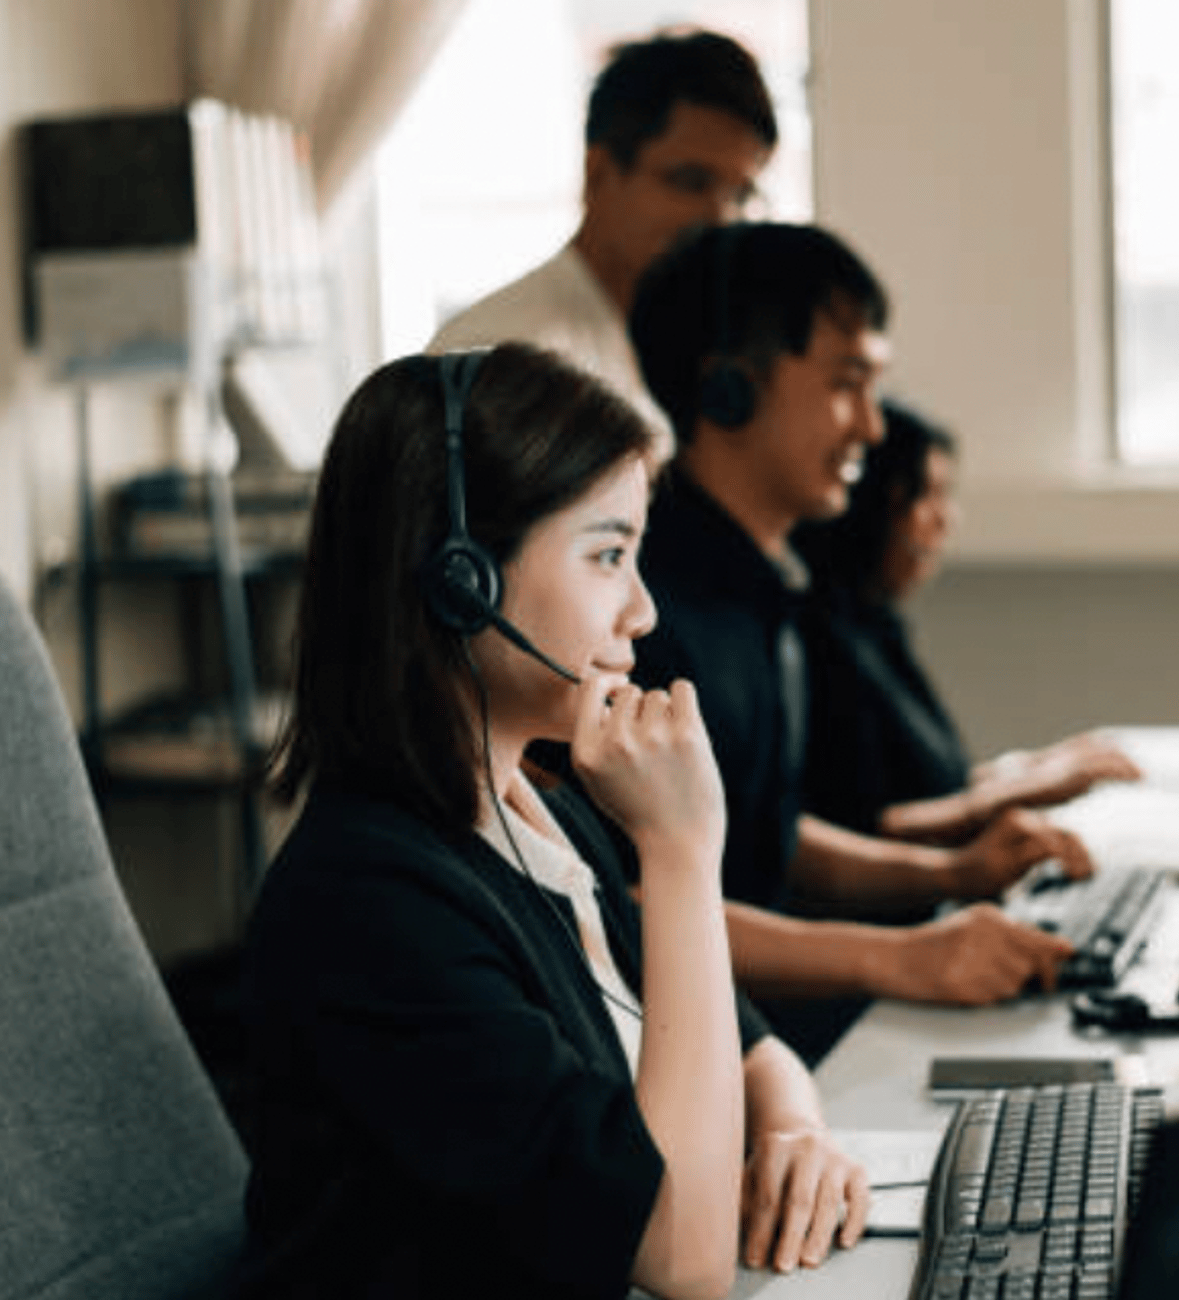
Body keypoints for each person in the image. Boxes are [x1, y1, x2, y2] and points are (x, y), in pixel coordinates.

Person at [235, 343, 867, 1299]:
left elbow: (747, 1042)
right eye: (609, 556)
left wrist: (794, 1132)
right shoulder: (369, 904)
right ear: (460, 581)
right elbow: (681, 1260)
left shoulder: (544, 811)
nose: (645, 613)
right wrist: (686, 852)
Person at [625, 222, 1091, 1063]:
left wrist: (953, 877)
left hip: (769, 1029)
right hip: (708, 1058)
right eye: (848, 384)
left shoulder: (767, 585)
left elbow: (770, 838)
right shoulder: (641, 612)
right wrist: (901, 958)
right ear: (728, 388)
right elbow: (630, 903)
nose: (874, 430)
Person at [793, 397, 1142, 847]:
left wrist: (1044, 764)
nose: (945, 519)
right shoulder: (816, 640)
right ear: (873, 504)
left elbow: (935, 784)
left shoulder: (875, 627)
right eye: (926, 495)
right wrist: (1030, 790)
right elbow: (863, 825)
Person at [427, 27, 776, 462]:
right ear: (599, 175)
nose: (723, 221)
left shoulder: (710, 359)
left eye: (741, 195)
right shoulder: (504, 356)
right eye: (690, 181)